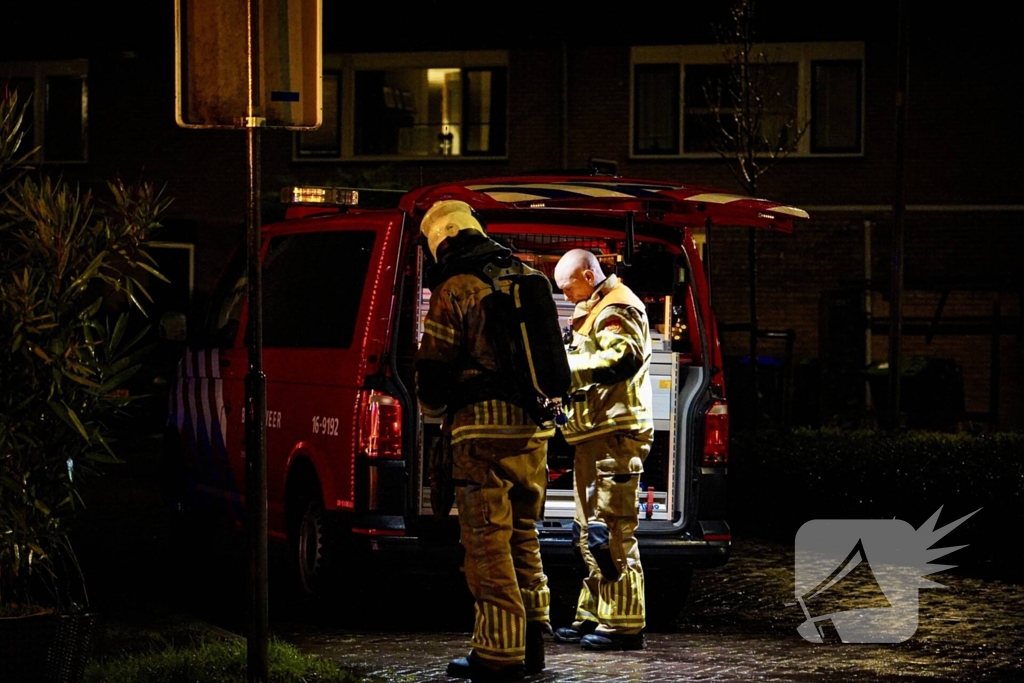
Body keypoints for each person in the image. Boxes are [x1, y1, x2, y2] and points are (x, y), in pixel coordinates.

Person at [414, 199, 554, 683]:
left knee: (486, 540)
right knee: (523, 533)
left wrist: (435, 412)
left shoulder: (456, 288)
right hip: (533, 430)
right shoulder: (526, 275)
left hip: (480, 435)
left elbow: (433, 374)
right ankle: (533, 639)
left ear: (444, 241)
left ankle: (498, 653)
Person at [550, 248, 654, 652]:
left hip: (615, 435)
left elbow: (620, 357)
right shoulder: (599, 306)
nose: (566, 295)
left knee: (610, 532)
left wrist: (561, 370)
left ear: (589, 275)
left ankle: (623, 624)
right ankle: (594, 614)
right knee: (588, 532)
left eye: (568, 286)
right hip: (597, 434)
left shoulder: (619, 306)